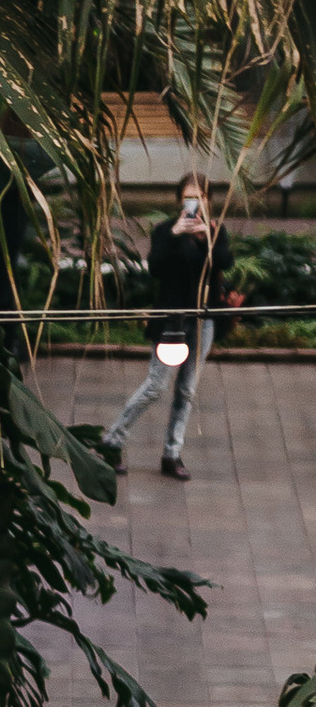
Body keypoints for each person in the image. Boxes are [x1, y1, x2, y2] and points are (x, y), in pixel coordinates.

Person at [103, 175, 242, 482]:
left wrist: (207, 239)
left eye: (200, 198)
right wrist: (179, 235)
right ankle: (111, 442)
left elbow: (225, 263)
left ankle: (172, 453)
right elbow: (156, 268)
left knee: (187, 390)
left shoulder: (216, 231)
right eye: (188, 198)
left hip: (203, 320)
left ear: (209, 200)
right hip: (171, 322)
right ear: (180, 201)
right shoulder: (166, 230)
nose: (194, 204)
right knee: (156, 385)